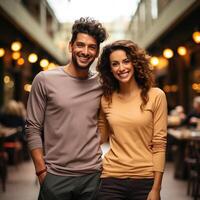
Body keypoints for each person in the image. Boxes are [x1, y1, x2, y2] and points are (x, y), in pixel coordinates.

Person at [25, 17, 108, 200]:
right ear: (70, 46)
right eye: (80, 45)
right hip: (55, 176)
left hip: (93, 176)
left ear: (97, 52)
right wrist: (42, 173)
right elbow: (32, 128)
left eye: (91, 47)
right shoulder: (44, 80)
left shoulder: (102, 83)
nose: (85, 51)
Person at [96, 40, 167, 200]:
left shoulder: (156, 96)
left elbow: (160, 144)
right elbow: (100, 137)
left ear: (135, 63)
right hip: (111, 178)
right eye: (115, 64)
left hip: (145, 179)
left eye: (126, 61)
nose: (121, 68)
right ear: (110, 69)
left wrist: (156, 188)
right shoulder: (106, 99)